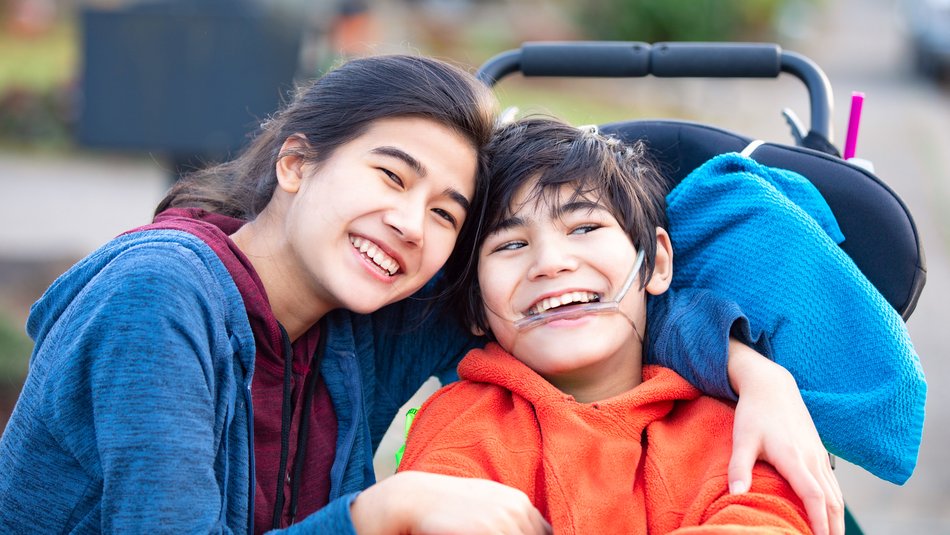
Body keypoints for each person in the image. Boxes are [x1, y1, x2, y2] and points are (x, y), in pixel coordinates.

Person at [0, 56, 840, 534]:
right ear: (295, 164)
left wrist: (751, 369)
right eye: (391, 175)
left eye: (445, 212)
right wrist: (376, 511)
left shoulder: (362, 317)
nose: (410, 223)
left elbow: (576, 309)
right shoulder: (160, 296)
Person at [398, 117, 921, 533]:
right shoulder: (463, 423)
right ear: (472, 308)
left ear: (656, 264)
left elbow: (767, 519)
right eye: (511, 244)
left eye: (584, 226)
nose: (550, 262)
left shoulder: (734, 428)